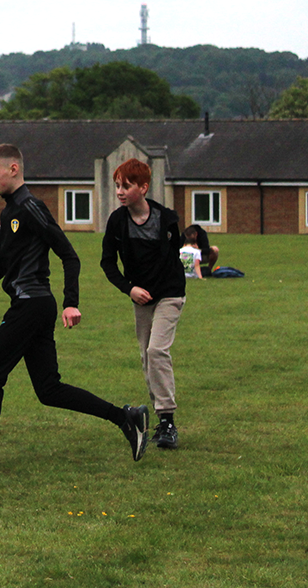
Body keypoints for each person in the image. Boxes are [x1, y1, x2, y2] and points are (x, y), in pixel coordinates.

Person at [0, 144, 150, 474]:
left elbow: (69, 254)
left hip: (32, 305)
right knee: (48, 389)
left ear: (13, 170)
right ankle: (125, 416)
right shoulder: (9, 212)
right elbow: (0, 265)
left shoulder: (30, 207)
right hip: (31, 306)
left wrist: (72, 302)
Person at [100, 158, 186, 450]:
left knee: (157, 350)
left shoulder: (166, 219)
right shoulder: (117, 221)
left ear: (144, 187)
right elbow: (108, 263)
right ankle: (160, 418)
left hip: (170, 295)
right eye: (117, 186)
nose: (120, 192)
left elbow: (175, 256)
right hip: (142, 299)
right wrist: (130, 289)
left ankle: (168, 422)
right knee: (146, 357)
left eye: (126, 186)